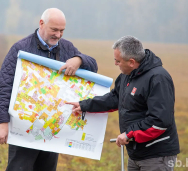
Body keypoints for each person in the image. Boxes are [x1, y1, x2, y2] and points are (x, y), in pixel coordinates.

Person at [0, 8, 98, 171]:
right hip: (24, 127)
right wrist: (2, 122)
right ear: (41, 24)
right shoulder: (20, 49)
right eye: (54, 30)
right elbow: (4, 87)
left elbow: (93, 66)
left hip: (52, 130)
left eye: (62, 31)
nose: (58, 35)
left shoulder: (66, 48)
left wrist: (79, 59)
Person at [67, 36, 180, 171]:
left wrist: (129, 134)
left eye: (118, 61)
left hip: (156, 156)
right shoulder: (128, 74)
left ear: (131, 62)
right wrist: (85, 105)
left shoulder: (158, 78)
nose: (115, 64)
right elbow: (116, 98)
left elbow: (159, 122)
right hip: (135, 152)